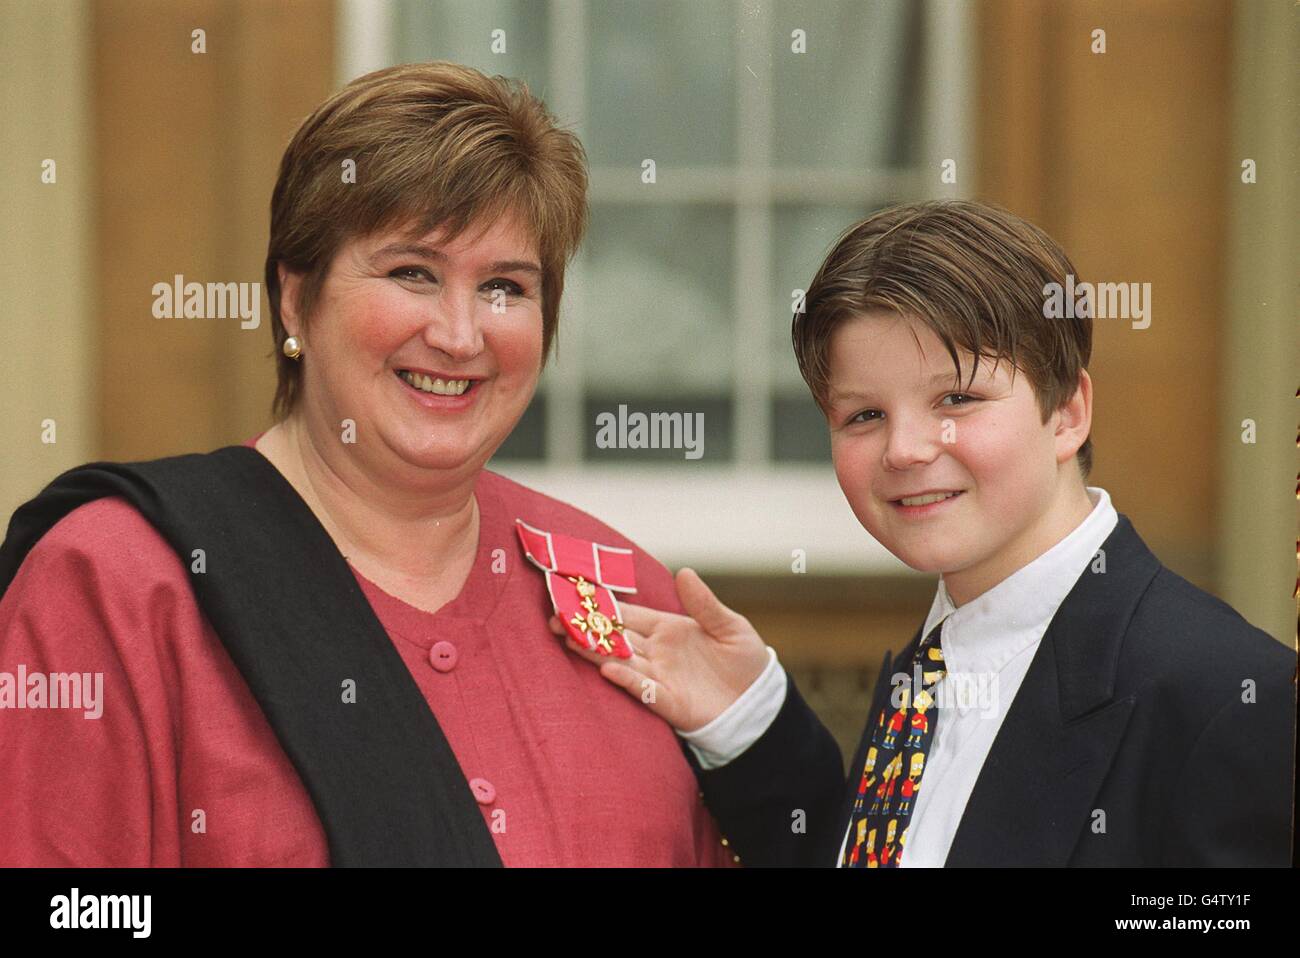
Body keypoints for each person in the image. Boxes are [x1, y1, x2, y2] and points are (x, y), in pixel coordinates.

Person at [0, 61, 762, 867]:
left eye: (505, 287)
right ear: (296, 298)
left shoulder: (623, 599)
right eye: (412, 273)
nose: (461, 335)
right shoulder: (114, 588)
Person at [557, 200, 1297, 867]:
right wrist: (753, 718)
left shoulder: (1233, 700)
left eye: (958, 398)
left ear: (1067, 411)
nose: (906, 449)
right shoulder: (935, 657)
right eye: (864, 415)